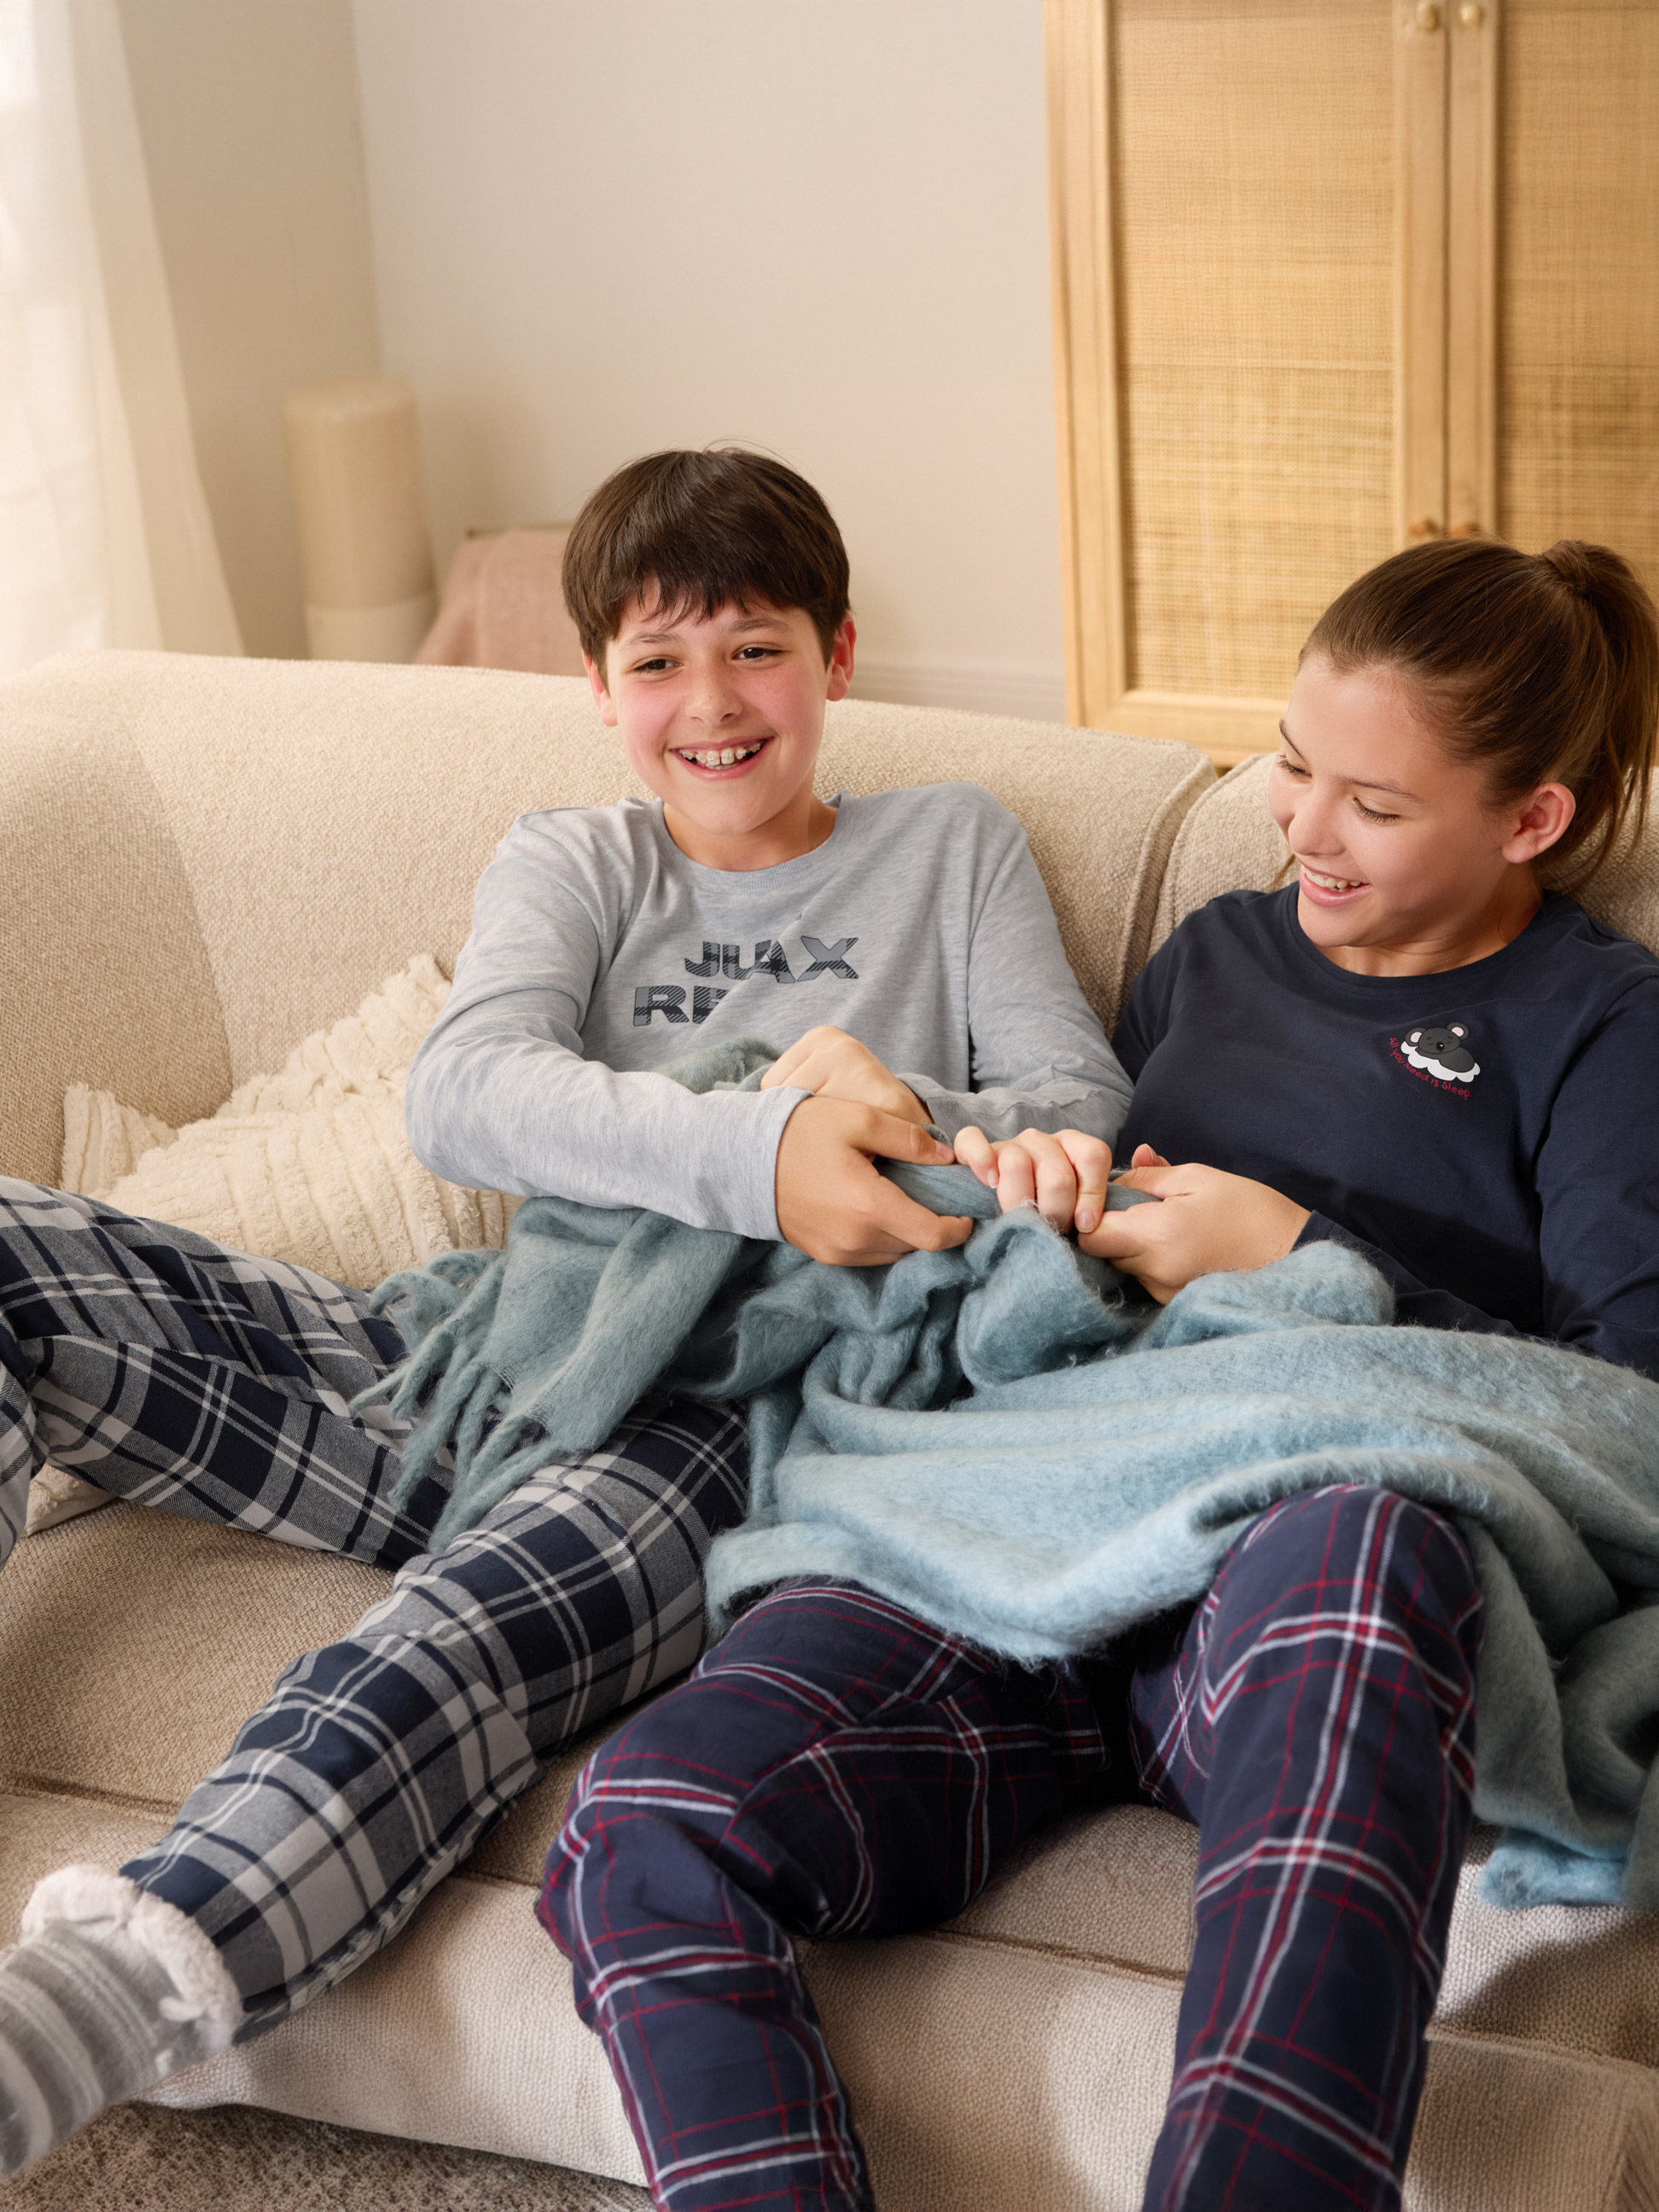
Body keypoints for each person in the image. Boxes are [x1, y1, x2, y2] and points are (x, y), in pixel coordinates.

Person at [0, 448, 1128, 2174]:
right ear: (594, 689)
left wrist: (875, 1098)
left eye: (753, 648)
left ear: (836, 653)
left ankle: (87, 2010)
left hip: (729, 1415)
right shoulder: (580, 859)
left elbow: (1072, 1116)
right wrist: (767, 1135)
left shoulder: (950, 844)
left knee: (450, 1643)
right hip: (483, 1358)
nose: (712, 703)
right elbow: (468, 1095)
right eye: (659, 662)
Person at [540, 534, 1659, 2212]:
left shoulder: (1602, 1024)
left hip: (1301, 1566)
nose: (1301, 826)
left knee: (1367, 1554)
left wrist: (1301, 1265)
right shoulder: (1210, 955)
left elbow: (1623, 1402)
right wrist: (1035, 1204)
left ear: (1532, 820)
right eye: (1293, 767)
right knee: (648, 1818)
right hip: (1050, 1519)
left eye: (1374, 802)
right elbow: (1063, 1236)